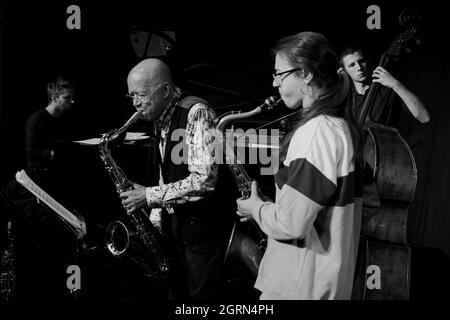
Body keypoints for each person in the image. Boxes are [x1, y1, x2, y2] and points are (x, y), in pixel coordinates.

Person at [236, 32, 363, 300]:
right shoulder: (338, 127)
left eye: (279, 74)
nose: (274, 83)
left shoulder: (316, 132)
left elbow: (293, 224)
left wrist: (257, 208)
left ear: (305, 73)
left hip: (301, 287)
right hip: (321, 283)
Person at [119, 58, 234, 301]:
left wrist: (149, 196)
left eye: (140, 95)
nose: (136, 104)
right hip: (179, 229)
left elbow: (204, 180)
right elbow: (168, 170)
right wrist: (157, 218)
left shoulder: (197, 113)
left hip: (203, 232)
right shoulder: (160, 114)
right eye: (132, 97)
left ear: (165, 90)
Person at [340, 45, 430, 125]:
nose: (359, 68)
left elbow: (424, 117)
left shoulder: (387, 91)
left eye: (361, 61)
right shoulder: (344, 99)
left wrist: (396, 84)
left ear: (368, 61)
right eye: (352, 65)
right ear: (344, 70)